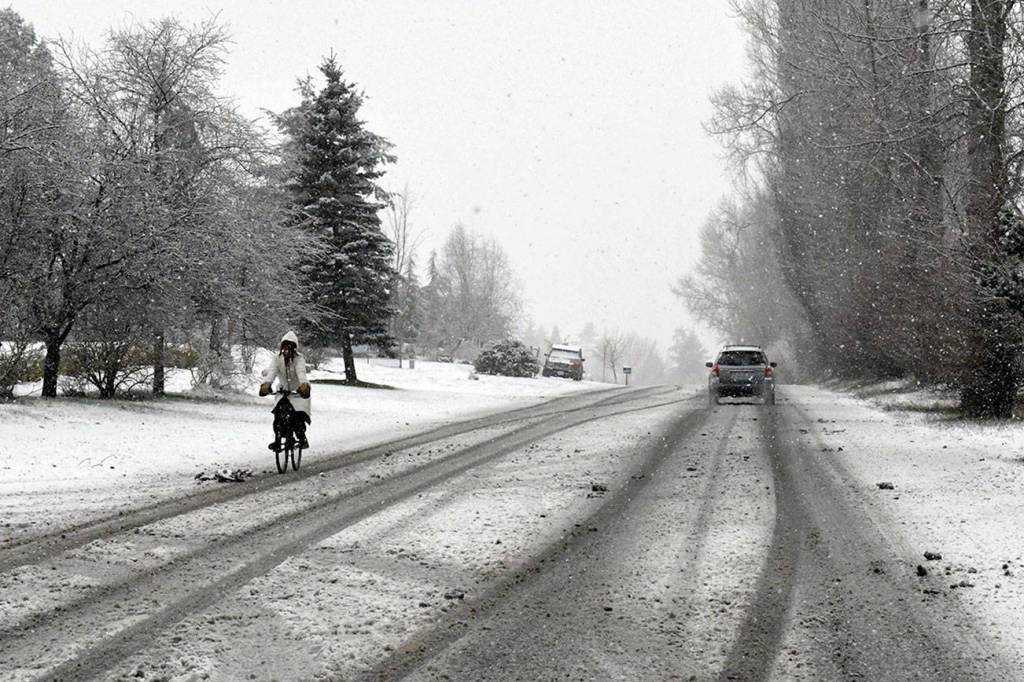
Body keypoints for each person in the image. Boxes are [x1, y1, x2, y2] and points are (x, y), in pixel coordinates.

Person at [259, 331, 311, 451]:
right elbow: (272, 372)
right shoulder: (277, 359)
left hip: (297, 394)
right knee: (278, 415)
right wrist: (267, 384)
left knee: (298, 417)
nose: (286, 351)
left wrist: (303, 385)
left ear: (294, 348)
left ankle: (302, 438)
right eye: (285, 347)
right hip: (282, 392)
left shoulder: (299, 359)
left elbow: (301, 373)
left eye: (289, 347)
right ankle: (277, 440)